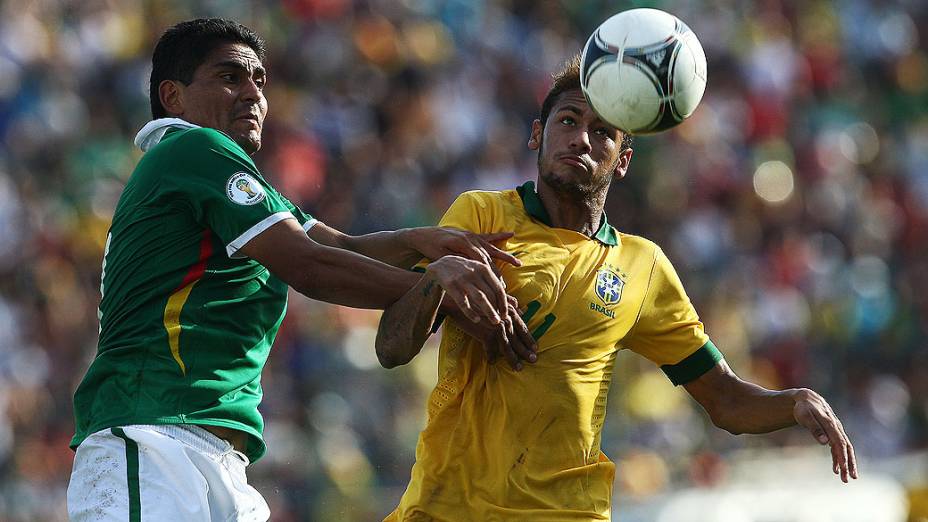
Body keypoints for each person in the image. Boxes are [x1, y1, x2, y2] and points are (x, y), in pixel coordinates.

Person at [66, 18, 536, 521]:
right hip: (151, 439)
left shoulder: (217, 174)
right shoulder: (192, 149)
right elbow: (309, 267)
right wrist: (437, 286)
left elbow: (337, 245)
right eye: (230, 77)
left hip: (205, 452)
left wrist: (418, 240)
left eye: (259, 81)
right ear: (174, 97)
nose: (253, 93)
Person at [376, 55, 858, 521]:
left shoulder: (642, 265)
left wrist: (792, 402)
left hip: (571, 513)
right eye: (568, 121)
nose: (581, 139)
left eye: (602, 132)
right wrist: (435, 281)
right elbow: (392, 347)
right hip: (448, 509)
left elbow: (725, 400)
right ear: (537, 134)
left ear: (622, 160)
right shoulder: (481, 215)